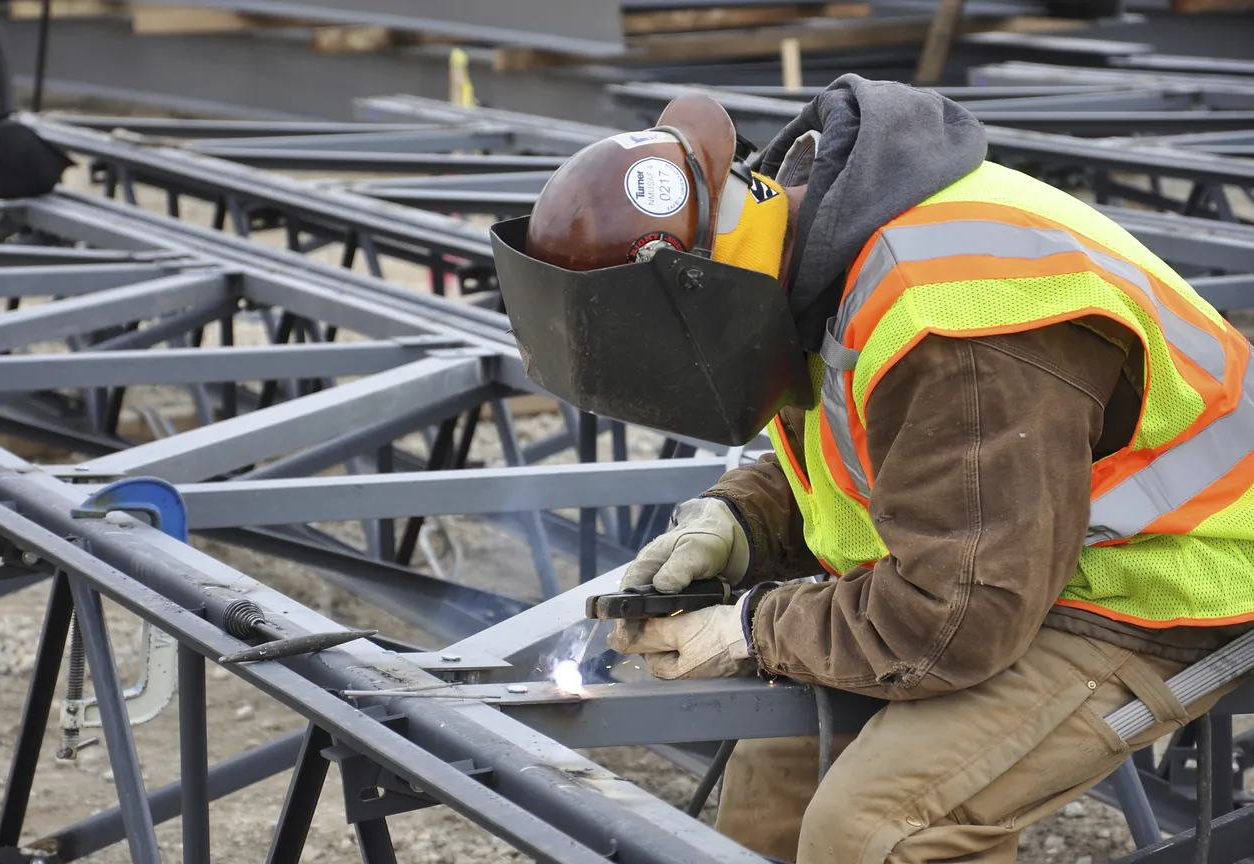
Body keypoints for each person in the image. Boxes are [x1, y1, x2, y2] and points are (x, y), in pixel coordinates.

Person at [488, 75, 1254, 864]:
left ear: (693, 293)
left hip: (1172, 578)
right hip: (1015, 554)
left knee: (880, 832)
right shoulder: (812, 257)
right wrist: (741, 521)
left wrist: (748, 630)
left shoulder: (953, 314)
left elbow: (953, 621)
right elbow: (910, 458)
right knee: (774, 781)